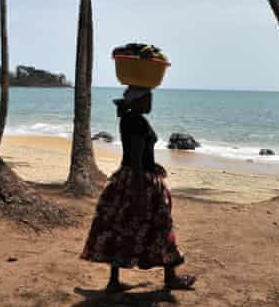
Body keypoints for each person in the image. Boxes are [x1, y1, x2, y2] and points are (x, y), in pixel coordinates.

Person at [81, 86, 196, 292]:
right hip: (140, 181)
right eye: (147, 99)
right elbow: (135, 157)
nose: (150, 103)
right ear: (137, 101)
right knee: (162, 227)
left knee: (119, 226)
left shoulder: (128, 118)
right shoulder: (137, 121)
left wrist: (153, 166)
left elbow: (138, 155)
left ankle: (114, 281)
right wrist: (140, 192)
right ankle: (170, 277)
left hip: (127, 177)